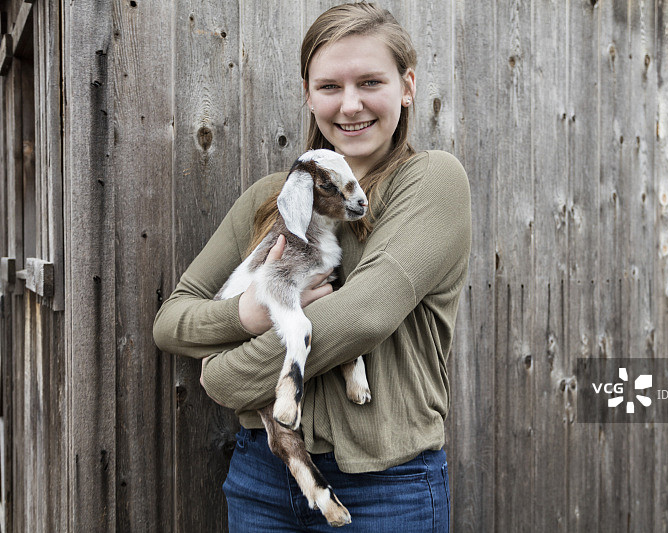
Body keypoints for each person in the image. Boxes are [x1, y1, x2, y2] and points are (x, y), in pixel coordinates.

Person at [153, 2, 471, 531]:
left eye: (370, 81)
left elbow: (362, 317)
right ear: (308, 94)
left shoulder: (431, 182)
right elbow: (171, 321)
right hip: (263, 476)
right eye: (329, 87)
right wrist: (248, 315)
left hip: (387, 489)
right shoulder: (270, 200)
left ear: (407, 86)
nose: (350, 105)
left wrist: (226, 377)